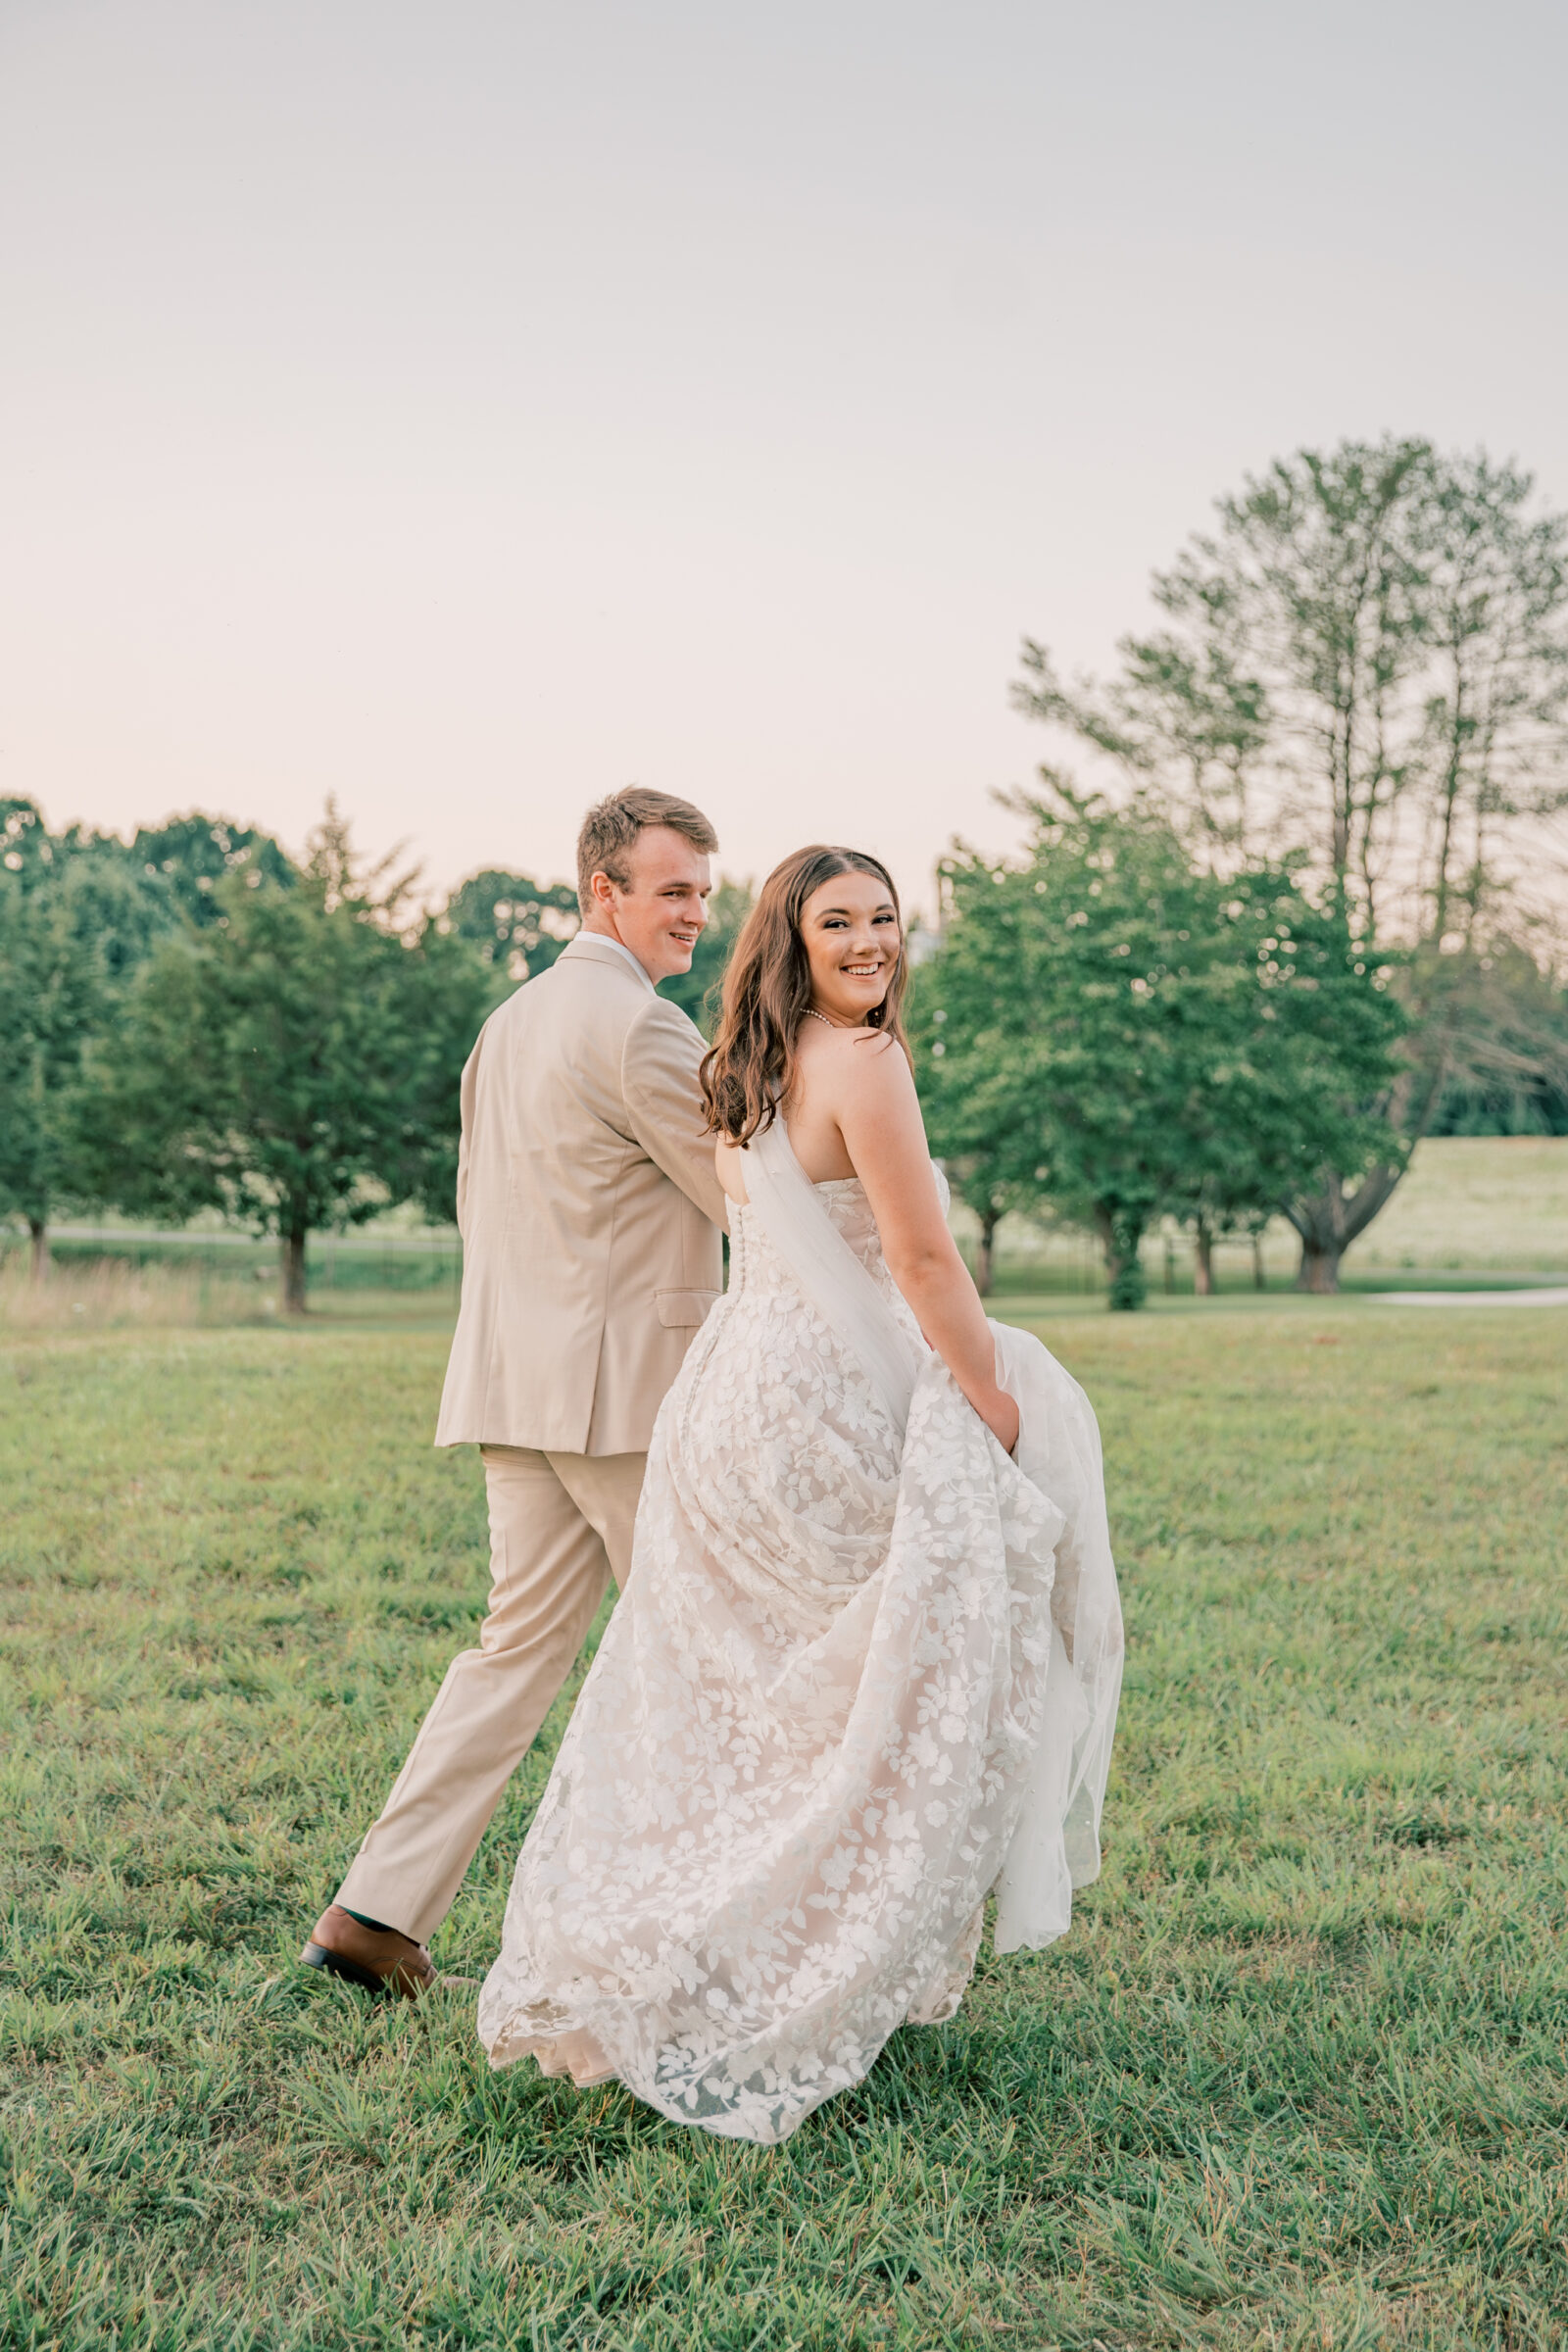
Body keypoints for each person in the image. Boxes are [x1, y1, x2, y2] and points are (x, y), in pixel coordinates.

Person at [476, 844, 1122, 2142]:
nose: (873, 942)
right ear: (794, 936)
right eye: (842, 922)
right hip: (834, 1402)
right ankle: (786, 1979)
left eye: (887, 919)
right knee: (872, 1704)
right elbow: (927, 1260)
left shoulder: (747, 1068)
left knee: (741, 1709)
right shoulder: (866, 1063)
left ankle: (672, 1966)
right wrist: (993, 1404)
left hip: (726, 1404)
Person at [301, 787, 729, 1996]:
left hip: (511, 1385)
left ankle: (375, 1911)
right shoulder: (642, 1027)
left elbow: (478, 1201)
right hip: (624, 1398)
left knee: (512, 1653)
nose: (696, 911)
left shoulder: (511, 1020)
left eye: (702, 888)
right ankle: (688, 1939)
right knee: (701, 1660)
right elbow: (736, 1189)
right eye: (673, 890)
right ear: (605, 890)